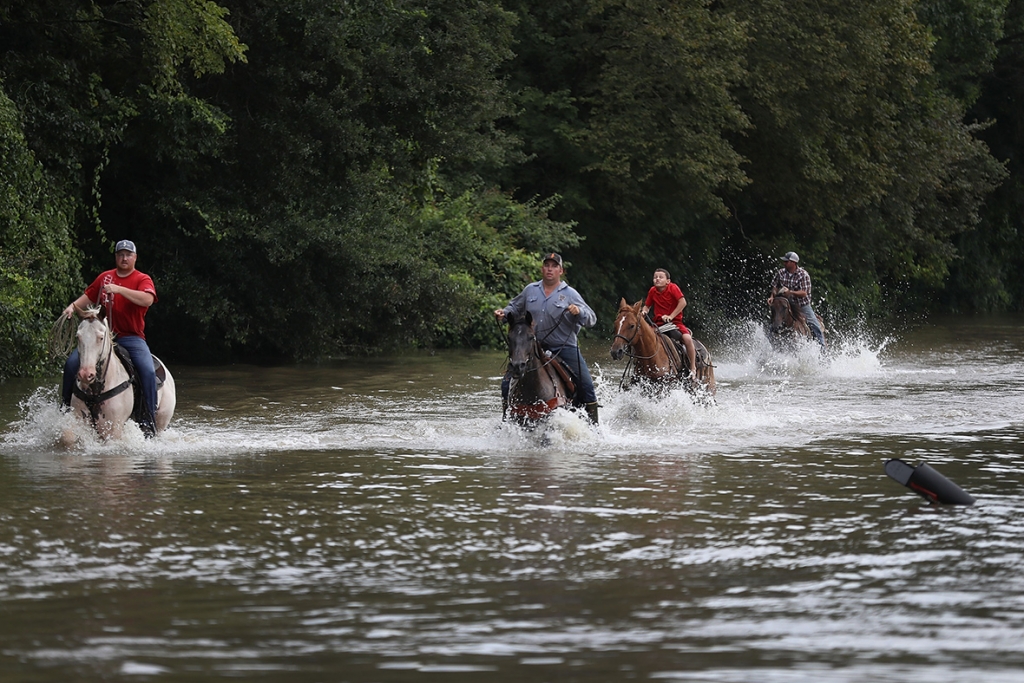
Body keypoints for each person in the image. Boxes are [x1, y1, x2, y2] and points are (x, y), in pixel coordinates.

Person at [61, 239, 160, 436]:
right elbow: (87, 296)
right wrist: (71, 307)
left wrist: (119, 289)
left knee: (147, 371)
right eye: (120, 254)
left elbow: (148, 299)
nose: (124, 258)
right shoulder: (105, 277)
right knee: (71, 365)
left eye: (128, 255)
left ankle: (148, 419)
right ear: (116, 257)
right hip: (99, 337)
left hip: (130, 337)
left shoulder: (142, 279)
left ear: (135, 257)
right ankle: (64, 411)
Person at [494, 252, 600, 424]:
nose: (550, 269)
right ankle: (506, 423)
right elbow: (514, 307)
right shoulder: (530, 290)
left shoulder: (570, 294)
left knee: (586, 385)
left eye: (554, 266)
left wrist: (579, 312)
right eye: (547, 265)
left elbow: (592, 318)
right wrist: (503, 313)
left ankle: (595, 428)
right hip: (534, 346)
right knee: (506, 383)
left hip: (564, 347)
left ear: (561, 271)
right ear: (542, 269)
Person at [641, 268, 697, 379]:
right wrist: (644, 312)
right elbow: (647, 306)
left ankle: (693, 367)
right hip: (657, 324)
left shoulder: (673, 288)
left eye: (660, 277)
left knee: (687, 339)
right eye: (655, 277)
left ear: (668, 281)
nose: (657, 279)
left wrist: (671, 316)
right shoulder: (652, 291)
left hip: (675, 323)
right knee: (642, 337)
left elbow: (683, 302)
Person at [768, 251, 825, 346]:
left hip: (802, 305)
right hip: (785, 304)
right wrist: (772, 296)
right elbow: (775, 286)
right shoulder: (781, 272)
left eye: (786, 261)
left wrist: (790, 292)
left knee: (815, 326)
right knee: (774, 324)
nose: (784, 263)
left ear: (793, 263)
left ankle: (823, 351)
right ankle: (769, 346)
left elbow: (804, 293)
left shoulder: (803, 275)